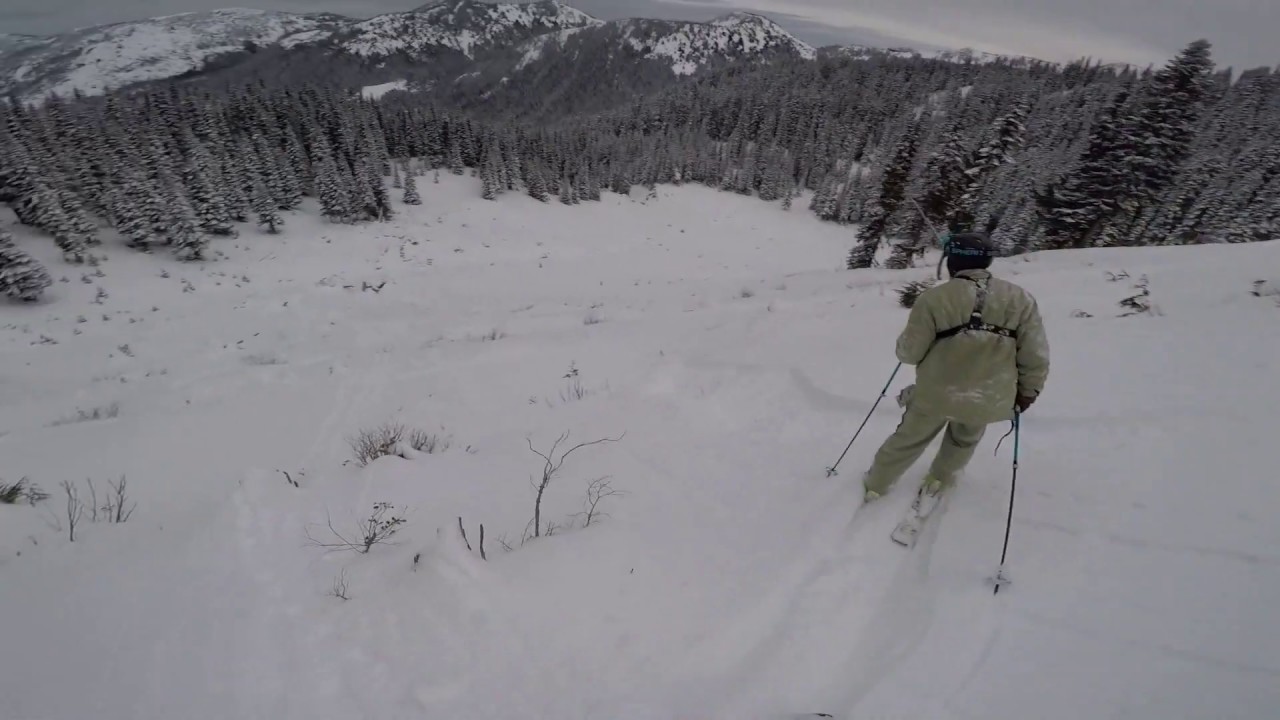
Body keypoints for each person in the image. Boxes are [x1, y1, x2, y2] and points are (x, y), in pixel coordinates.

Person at [862, 230, 1050, 504]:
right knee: (963, 440)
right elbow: (1036, 354)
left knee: (908, 440)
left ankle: (876, 484)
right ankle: (939, 481)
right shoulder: (1021, 299)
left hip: (936, 393)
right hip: (989, 395)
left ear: (953, 261)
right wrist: (1028, 392)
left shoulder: (934, 298)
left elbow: (910, 353)